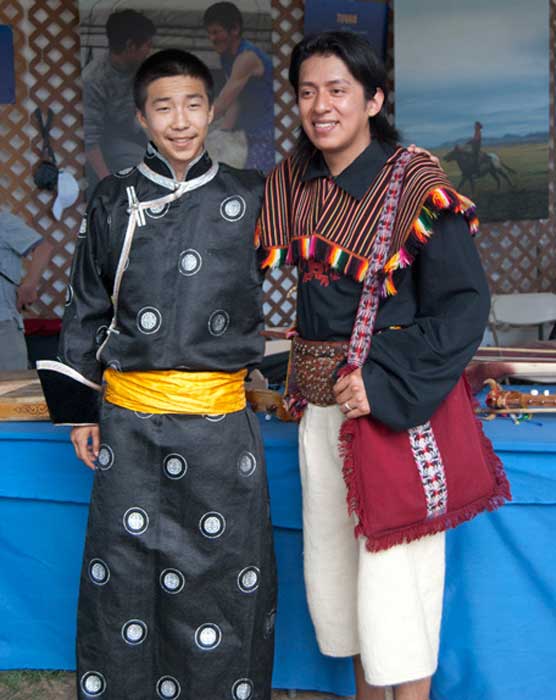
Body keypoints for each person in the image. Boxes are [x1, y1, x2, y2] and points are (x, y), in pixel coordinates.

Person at [258, 32, 493, 700]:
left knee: (397, 588)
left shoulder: (415, 183)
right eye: (307, 92)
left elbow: (461, 309)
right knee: (343, 582)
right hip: (320, 416)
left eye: (337, 90)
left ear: (374, 98)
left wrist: (381, 376)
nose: (320, 106)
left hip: (392, 410)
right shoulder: (293, 185)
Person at [38, 49, 276, 700]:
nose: (180, 120)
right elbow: (86, 304)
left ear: (211, 109)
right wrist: (82, 410)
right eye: (163, 106)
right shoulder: (112, 200)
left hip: (222, 428)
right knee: (127, 575)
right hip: (130, 427)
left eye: (193, 104)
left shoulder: (249, 197)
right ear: (142, 118)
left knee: (224, 577)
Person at [82, 9, 155, 184]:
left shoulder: (140, 67)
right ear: (131, 46)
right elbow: (90, 140)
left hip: (139, 132)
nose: (149, 50)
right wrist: (106, 181)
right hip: (110, 142)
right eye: (147, 45)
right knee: (151, 171)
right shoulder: (94, 80)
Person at [204, 2, 275, 172]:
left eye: (216, 32)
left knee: (255, 185)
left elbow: (223, 102)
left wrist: (193, 124)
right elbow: (234, 102)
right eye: (209, 33)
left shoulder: (247, 57)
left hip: (269, 132)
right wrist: (223, 132)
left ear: (234, 29)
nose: (211, 39)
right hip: (250, 132)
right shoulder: (227, 56)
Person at [0, 209, 53, 371]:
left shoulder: (3, 221)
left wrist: (29, 285)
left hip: (3, 325)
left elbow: (43, 248)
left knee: (14, 388)